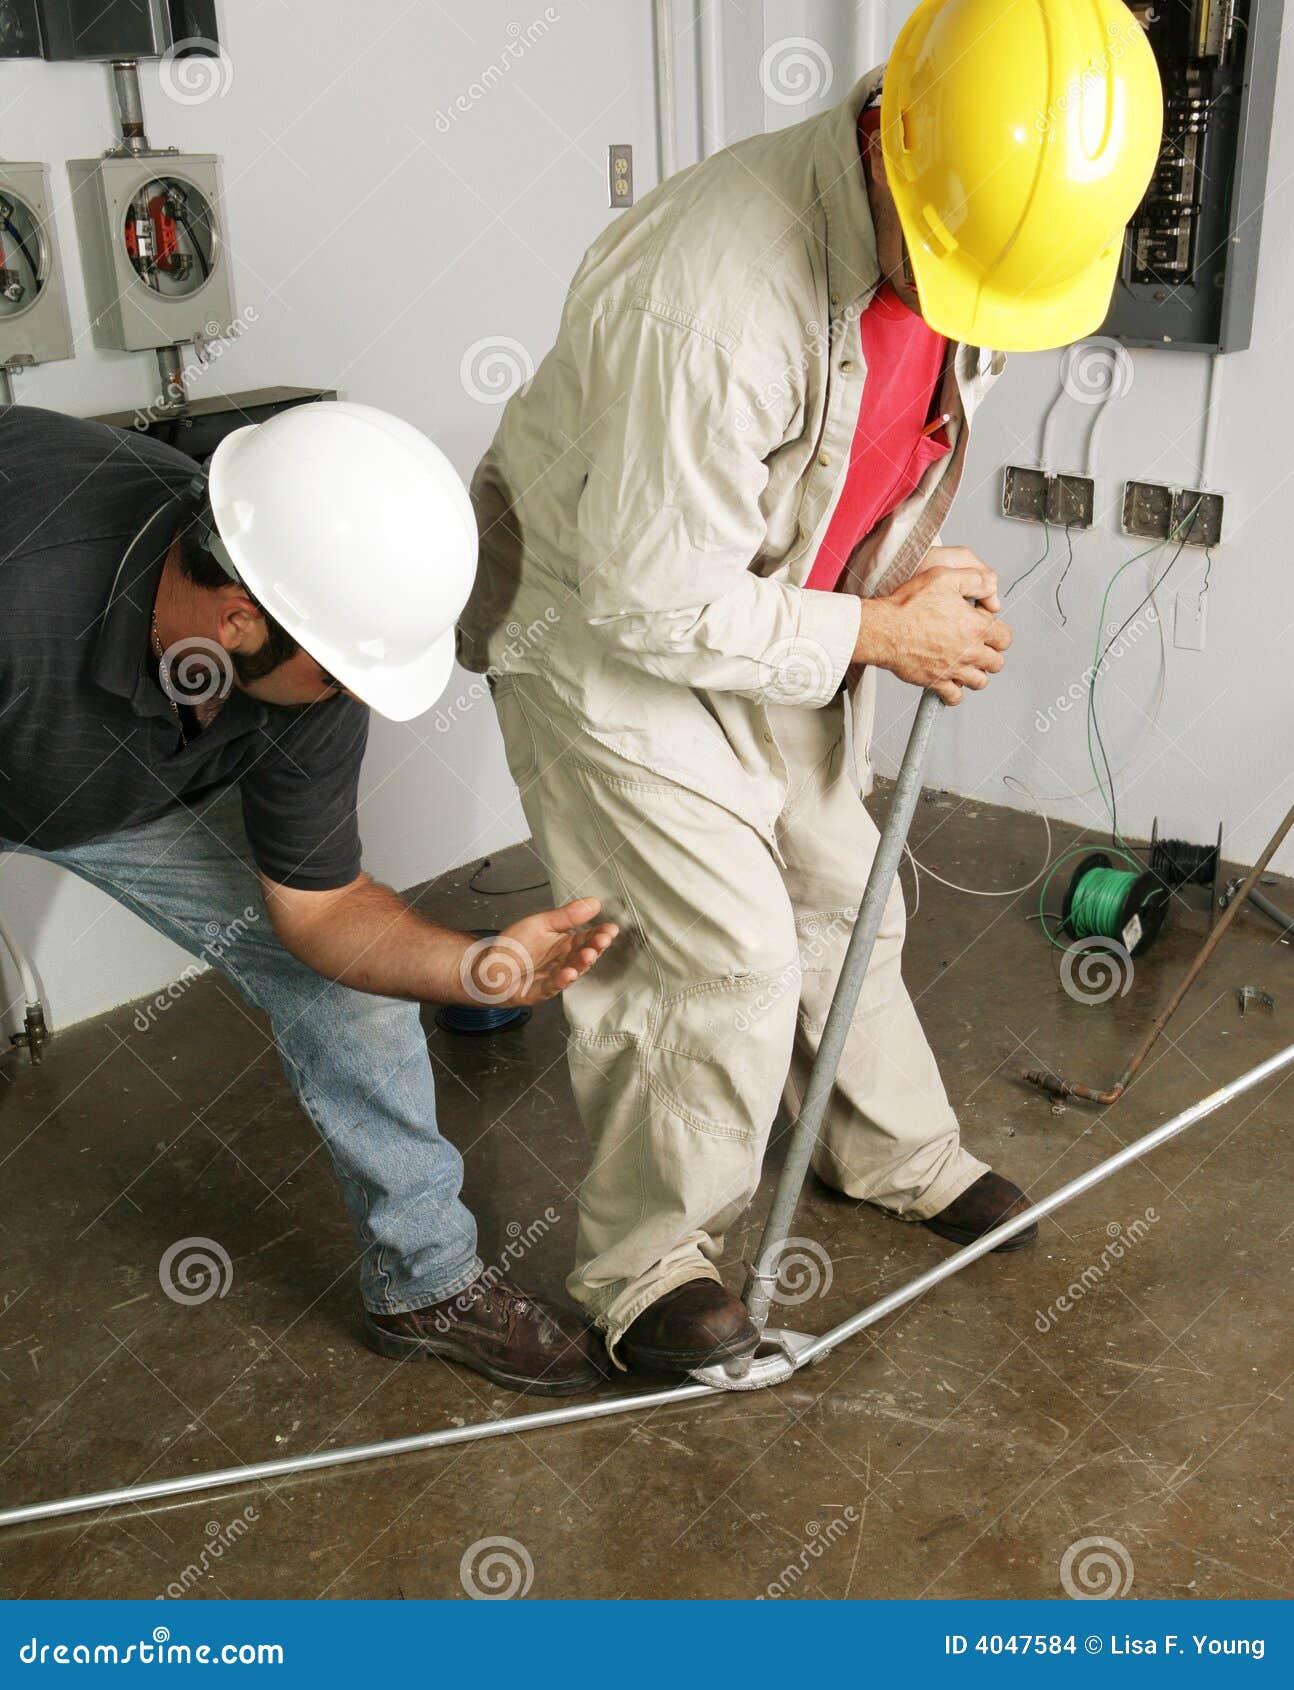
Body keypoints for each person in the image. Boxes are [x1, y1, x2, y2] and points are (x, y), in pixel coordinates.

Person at [459, 0, 1163, 1375]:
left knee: (846, 888)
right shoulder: (709, 294)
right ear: (895, 148)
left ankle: (886, 1149)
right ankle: (645, 1257)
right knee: (723, 951)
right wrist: (881, 636)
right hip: (598, 622)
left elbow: (872, 428)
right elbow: (650, 595)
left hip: (779, 596)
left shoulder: (981, 200)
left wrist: (903, 574)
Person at [0, 399, 619, 1395]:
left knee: (348, 987)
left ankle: (425, 1281)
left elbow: (323, 913)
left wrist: (478, 964)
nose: (358, 697)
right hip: (25, 696)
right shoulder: (24, 585)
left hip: (93, 784)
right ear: (237, 616)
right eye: (340, 676)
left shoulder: (308, 647)